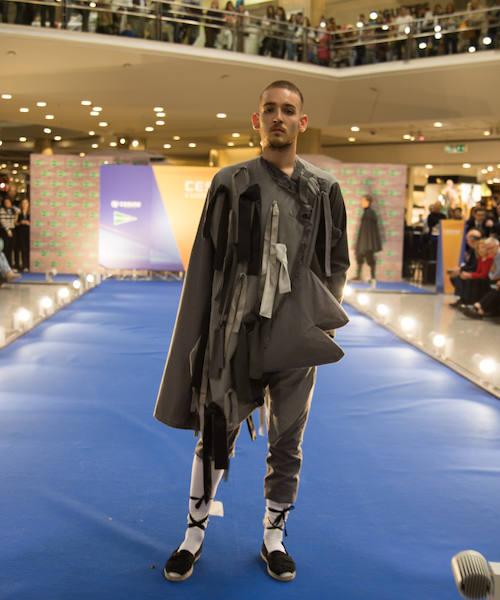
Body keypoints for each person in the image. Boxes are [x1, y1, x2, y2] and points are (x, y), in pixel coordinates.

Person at [155, 80, 349, 584]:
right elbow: (205, 264)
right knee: (214, 434)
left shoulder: (324, 189)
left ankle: (274, 537)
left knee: (288, 438)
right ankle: (193, 534)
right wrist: (204, 333)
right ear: (256, 120)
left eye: (289, 110)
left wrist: (315, 325)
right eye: (270, 109)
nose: (279, 117)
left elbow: (335, 265)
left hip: (296, 335)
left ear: (302, 122)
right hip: (232, 335)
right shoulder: (230, 181)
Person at [353, 194, 382, 283]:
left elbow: (369, 231)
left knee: (370, 258)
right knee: (360, 258)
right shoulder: (367, 213)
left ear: (368, 202)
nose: (362, 202)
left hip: (367, 243)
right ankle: (360, 276)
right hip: (365, 242)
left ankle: (373, 277)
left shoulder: (369, 213)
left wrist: (366, 243)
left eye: (363, 201)